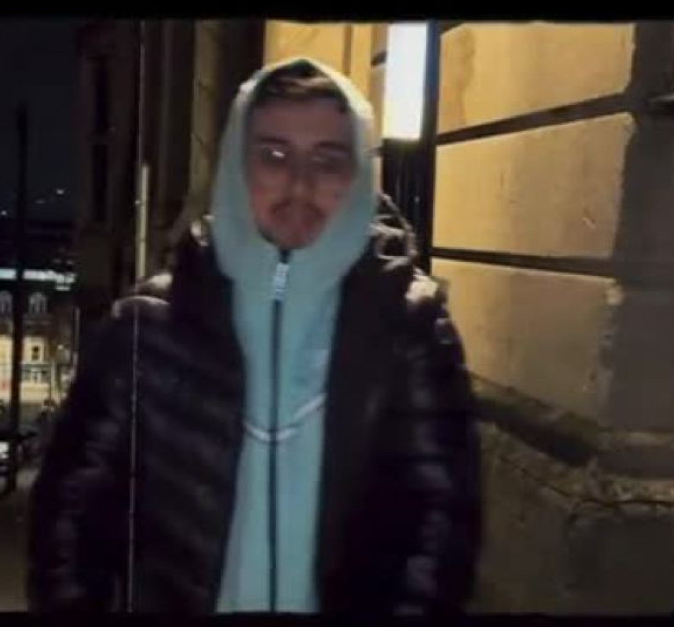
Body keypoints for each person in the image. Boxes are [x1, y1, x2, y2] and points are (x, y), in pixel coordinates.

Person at [28, 57, 480, 615]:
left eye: (328, 160)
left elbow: (440, 532)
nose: (300, 184)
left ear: (359, 175)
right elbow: (70, 522)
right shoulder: (146, 329)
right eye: (274, 156)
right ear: (236, 168)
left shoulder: (409, 328)